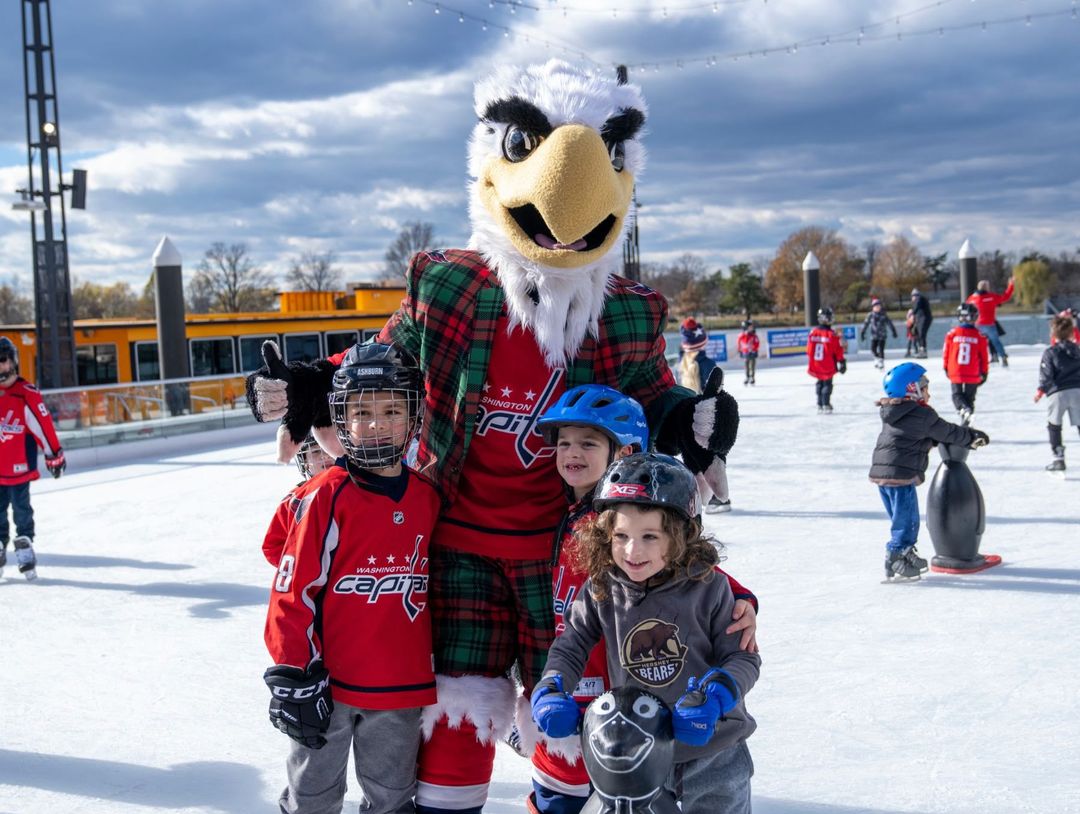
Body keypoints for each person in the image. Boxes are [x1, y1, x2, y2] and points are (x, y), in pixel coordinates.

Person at [526, 388, 759, 814]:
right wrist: (550, 686)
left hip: (714, 747)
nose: (633, 552)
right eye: (621, 538)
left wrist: (716, 696)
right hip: (638, 746)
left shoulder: (706, 586)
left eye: (650, 537)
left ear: (680, 536)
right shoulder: (602, 584)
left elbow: (742, 658)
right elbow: (571, 643)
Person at [263, 342, 440, 814]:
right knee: (313, 799)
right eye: (360, 411)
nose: (375, 423)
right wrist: (294, 674)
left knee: (392, 800)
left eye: (390, 410)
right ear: (339, 419)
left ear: (413, 416)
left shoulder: (428, 497)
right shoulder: (325, 496)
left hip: (402, 686)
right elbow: (290, 591)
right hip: (328, 687)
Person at [870, 363, 989, 581]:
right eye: (924, 387)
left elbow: (920, 435)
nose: (928, 392)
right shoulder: (920, 414)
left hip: (883, 474)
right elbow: (946, 431)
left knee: (900, 520)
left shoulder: (895, 412)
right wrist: (972, 437)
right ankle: (897, 557)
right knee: (908, 521)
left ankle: (903, 554)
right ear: (911, 389)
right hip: (899, 475)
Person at [0, 336, 65, 581]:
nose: (0, 367)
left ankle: (24, 544)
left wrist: (54, 454)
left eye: (3, 361)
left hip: (18, 468)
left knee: (21, 509)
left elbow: (43, 427)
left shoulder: (25, 394)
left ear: (13, 361)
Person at [262, 433, 338, 567]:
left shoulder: (361, 487)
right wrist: (304, 566)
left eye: (327, 448)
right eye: (315, 451)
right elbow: (274, 546)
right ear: (305, 462)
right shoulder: (295, 500)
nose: (324, 455)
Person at [1034, 316, 1080, 472]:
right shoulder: (1078, 350)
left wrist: (1040, 391)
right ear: (1071, 334)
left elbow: (1046, 376)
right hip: (1078, 391)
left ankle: (1058, 458)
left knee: (1054, 425)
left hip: (1058, 393)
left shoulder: (1050, 352)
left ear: (1053, 334)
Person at [942, 303, 990, 424]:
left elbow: (946, 353)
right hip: (973, 372)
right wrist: (984, 372)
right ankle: (967, 421)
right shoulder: (980, 336)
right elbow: (984, 357)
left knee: (957, 395)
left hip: (955, 370)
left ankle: (963, 409)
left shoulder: (952, 334)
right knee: (970, 398)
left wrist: (946, 367)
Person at [966, 277, 1014, 367]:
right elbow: (1006, 297)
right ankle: (1003, 357)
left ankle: (976, 360)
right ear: (986, 288)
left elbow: (966, 309)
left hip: (977, 325)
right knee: (996, 342)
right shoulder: (991, 297)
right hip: (989, 324)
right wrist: (1011, 285)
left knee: (976, 343)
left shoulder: (972, 299)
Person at [807, 306, 846, 414]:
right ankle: (826, 403)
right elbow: (837, 350)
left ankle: (819, 403)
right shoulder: (831, 334)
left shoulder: (813, 332)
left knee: (819, 382)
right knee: (827, 383)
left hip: (816, 363)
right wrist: (842, 362)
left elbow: (809, 350)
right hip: (828, 363)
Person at [677, 318, 717, 395]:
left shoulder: (680, 364)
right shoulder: (709, 364)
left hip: (684, 405)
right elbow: (715, 394)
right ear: (704, 344)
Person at [860, 298, 898, 370]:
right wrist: (862, 333)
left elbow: (890, 323)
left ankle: (881, 362)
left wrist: (894, 331)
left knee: (881, 349)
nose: (877, 307)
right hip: (874, 335)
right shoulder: (870, 315)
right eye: (876, 306)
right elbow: (865, 324)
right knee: (873, 349)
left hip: (882, 335)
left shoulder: (883, 315)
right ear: (873, 307)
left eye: (879, 306)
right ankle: (877, 359)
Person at [910, 288, 933, 359]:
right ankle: (921, 349)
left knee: (922, 334)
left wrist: (912, 313)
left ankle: (923, 351)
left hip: (924, 319)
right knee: (919, 334)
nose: (913, 297)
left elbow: (917, 308)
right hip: (921, 319)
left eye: (914, 296)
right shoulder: (919, 300)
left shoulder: (919, 299)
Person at [736, 320, 759, 386]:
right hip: (745, 353)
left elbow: (757, 343)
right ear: (746, 328)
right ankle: (747, 377)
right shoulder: (742, 335)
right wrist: (739, 349)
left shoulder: (754, 335)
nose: (752, 328)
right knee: (746, 366)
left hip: (752, 353)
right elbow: (739, 342)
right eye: (750, 327)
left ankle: (752, 377)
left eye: (752, 327)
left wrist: (754, 348)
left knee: (752, 366)